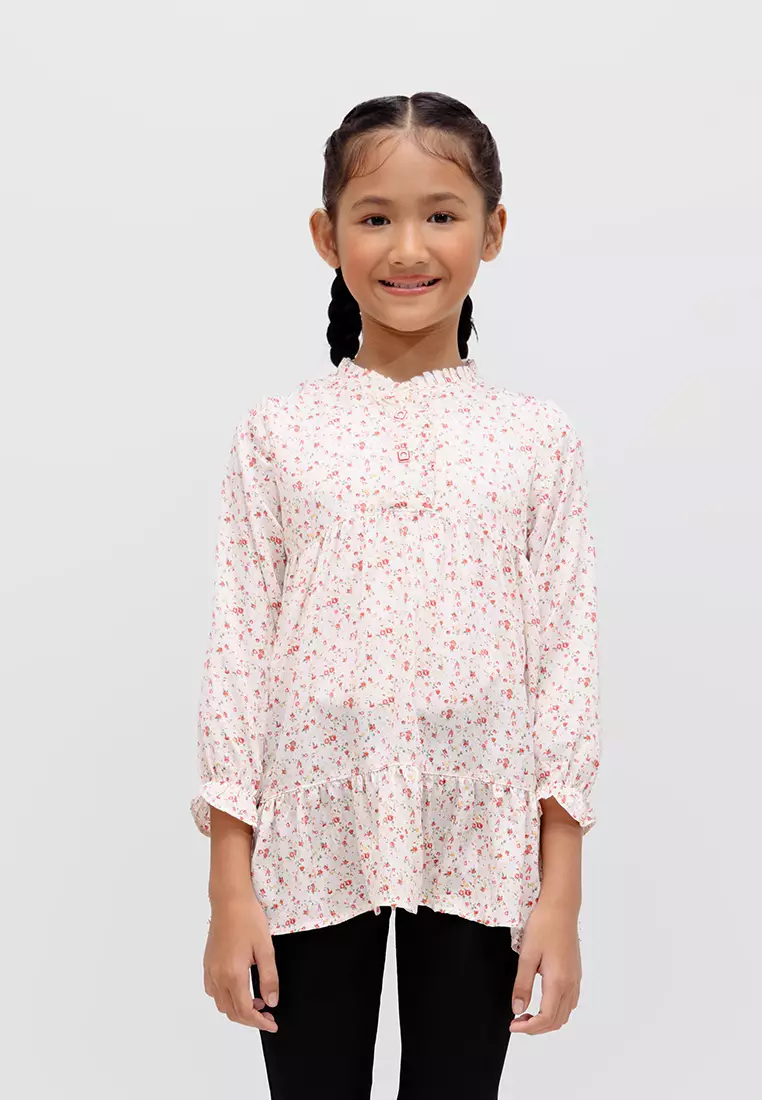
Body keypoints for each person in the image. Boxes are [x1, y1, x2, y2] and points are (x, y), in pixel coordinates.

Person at [190, 91, 602, 1100]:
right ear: (327, 235)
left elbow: (566, 667)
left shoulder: (536, 439)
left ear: (491, 231)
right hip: (311, 839)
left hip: (479, 841)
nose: (408, 247)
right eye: (375, 216)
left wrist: (559, 898)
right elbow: (238, 657)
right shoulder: (277, 434)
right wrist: (230, 889)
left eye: (442, 214)